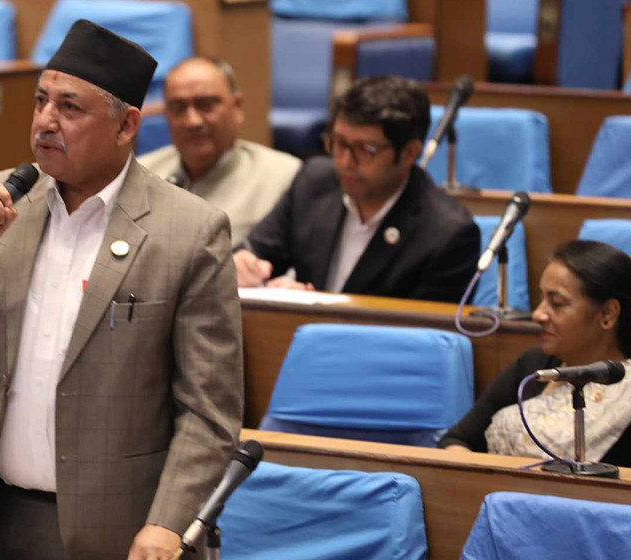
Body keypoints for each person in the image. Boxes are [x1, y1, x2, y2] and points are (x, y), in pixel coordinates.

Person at [0, 20, 242, 560]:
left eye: (70, 107)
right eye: (41, 101)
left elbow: (208, 411)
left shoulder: (189, 231)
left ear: (126, 126)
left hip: (122, 530)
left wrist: (168, 523)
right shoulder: (4, 201)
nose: (45, 121)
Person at [234, 76, 480, 303]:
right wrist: (245, 267)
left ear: (409, 153)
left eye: (365, 150)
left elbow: (423, 330)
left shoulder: (448, 234)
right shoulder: (314, 182)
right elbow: (256, 251)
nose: (345, 162)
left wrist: (314, 307)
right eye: (339, 143)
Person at [439, 240, 631, 466]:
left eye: (557, 303)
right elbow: (457, 439)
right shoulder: (535, 363)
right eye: (541, 299)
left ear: (608, 314)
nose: (538, 314)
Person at [140, 57, 300, 246]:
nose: (193, 121)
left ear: (237, 106)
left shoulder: (286, 178)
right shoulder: (141, 174)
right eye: (178, 108)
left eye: (206, 105)